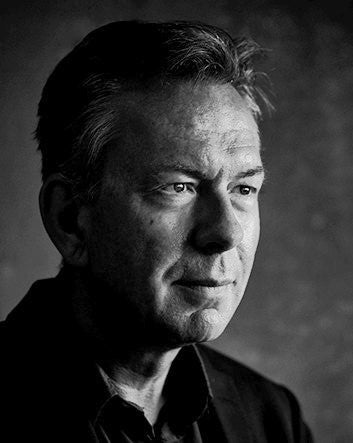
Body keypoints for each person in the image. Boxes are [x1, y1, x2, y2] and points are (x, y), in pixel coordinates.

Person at [0, 20, 312, 442]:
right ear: (70, 220)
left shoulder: (272, 419)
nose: (226, 234)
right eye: (178, 187)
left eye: (243, 188)